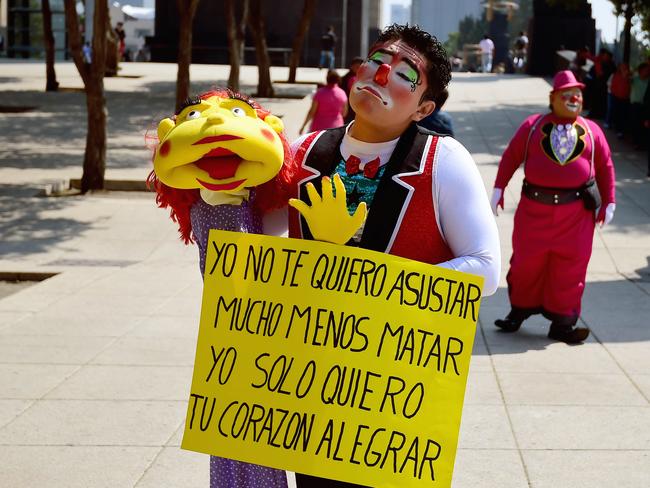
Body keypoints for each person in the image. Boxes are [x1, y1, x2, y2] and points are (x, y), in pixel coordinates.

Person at [289, 18, 500, 474]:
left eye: (406, 74)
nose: (381, 75)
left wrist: (375, 287)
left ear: (423, 109)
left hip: (394, 391)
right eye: (377, 60)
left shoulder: (444, 160)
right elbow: (254, 252)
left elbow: (485, 268)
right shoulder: (302, 152)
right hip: (311, 382)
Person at [491, 70, 616, 343]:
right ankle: (518, 311)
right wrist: (499, 187)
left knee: (570, 269)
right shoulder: (533, 126)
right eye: (567, 93)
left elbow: (605, 166)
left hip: (576, 216)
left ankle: (563, 322)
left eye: (578, 93)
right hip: (534, 211)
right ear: (553, 97)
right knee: (525, 264)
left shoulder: (592, 131)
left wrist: (610, 200)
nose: (573, 98)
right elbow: (512, 156)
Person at [629, 62, 649, 148]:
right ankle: (636, 142)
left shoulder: (648, 81)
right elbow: (626, 77)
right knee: (635, 124)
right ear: (640, 71)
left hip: (644, 106)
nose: (647, 72)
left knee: (643, 125)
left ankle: (641, 143)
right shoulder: (635, 79)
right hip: (635, 105)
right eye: (645, 70)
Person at [340, 56, 364, 123]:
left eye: (360, 67)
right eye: (356, 67)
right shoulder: (349, 79)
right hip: (350, 108)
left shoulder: (363, 78)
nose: (358, 69)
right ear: (351, 67)